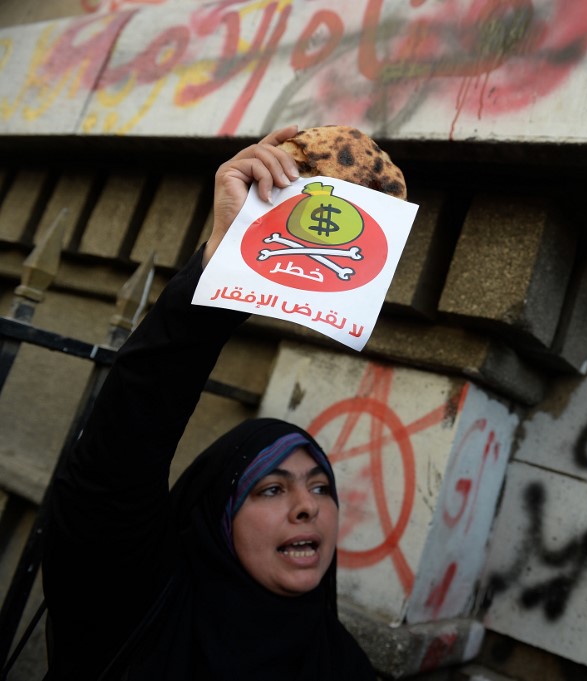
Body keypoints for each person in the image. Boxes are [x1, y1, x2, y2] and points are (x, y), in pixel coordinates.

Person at [41, 127, 377, 680]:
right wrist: (224, 268)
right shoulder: (134, 612)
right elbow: (120, 452)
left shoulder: (345, 666)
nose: (308, 507)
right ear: (216, 517)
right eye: (272, 488)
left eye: (321, 487)